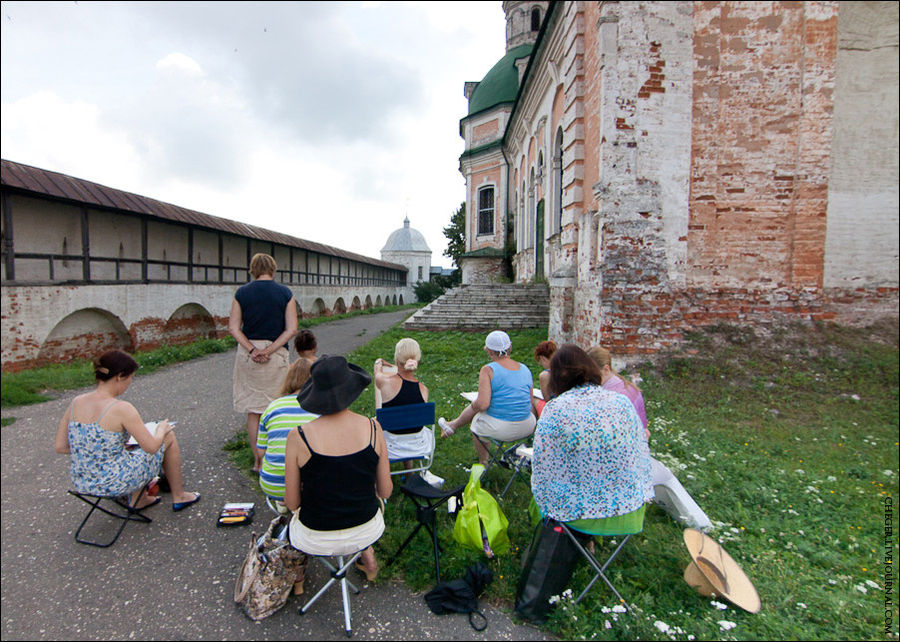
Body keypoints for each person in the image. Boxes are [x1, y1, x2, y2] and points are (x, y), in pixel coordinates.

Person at [284, 356, 392, 581]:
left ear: (315, 394)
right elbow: (385, 491)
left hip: (315, 535)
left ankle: (298, 577)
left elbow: (292, 503)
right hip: (365, 529)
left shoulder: (298, 436)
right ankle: (368, 559)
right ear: (351, 389)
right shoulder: (373, 428)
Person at [54, 349, 200, 512]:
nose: (129, 383)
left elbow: (60, 447)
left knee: (130, 452)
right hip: (116, 483)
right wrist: (161, 430)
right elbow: (151, 448)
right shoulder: (121, 408)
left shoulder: (76, 402)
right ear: (120, 376)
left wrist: (101, 451)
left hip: (83, 482)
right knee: (167, 436)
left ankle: (141, 499)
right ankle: (179, 496)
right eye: (130, 378)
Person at [531, 344, 652, 523]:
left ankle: (577, 541)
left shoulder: (556, 409)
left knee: (542, 499)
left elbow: (542, 464)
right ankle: (588, 543)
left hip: (575, 512)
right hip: (629, 510)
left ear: (555, 378)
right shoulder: (621, 401)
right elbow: (642, 449)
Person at [229, 253, 298, 472]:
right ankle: (276, 459)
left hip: (249, 355)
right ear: (273, 269)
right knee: (276, 407)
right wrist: (268, 350)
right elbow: (291, 329)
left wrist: (252, 350)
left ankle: (258, 461)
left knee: (254, 410)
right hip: (275, 353)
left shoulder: (242, 293)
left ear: (253, 269)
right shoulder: (285, 293)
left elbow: (233, 327)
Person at [438, 330, 536, 466]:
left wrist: (474, 406)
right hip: (527, 426)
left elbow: (483, 404)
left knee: (478, 418)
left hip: (501, 428)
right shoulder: (524, 368)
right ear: (510, 348)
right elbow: (530, 401)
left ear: (489, 351)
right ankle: (452, 426)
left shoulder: (488, 370)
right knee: (482, 408)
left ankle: (483, 462)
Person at [258, 358, 318, 511]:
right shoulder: (319, 407)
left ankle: (285, 503)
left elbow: (260, 452)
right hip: (310, 484)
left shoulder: (273, 407)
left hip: (272, 482)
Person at [374, 338, 431, 469]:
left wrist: (379, 362)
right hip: (418, 445)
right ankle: (409, 472)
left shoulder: (384, 382)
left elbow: (377, 372)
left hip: (391, 446)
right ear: (417, 360)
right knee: (407, 421)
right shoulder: (424, 390)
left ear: (396, 359)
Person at [587, 346, 649, 440]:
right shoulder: (626, 386)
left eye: (592, 375)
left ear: (606, 370)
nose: (587, 379)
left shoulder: (615, 396)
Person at [532, 340, 557, 417]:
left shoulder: (545, 375)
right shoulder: (565, 369)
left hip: (554, 409)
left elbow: (547, 399)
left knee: (532, 399)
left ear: (542, 358)